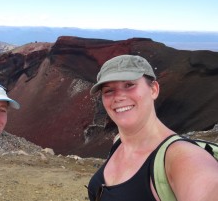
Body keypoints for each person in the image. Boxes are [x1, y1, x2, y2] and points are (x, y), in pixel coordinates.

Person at [87, 55, 218, 201]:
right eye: (108, 90)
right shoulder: (118, 144)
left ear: (154, 89)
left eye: (129, 85)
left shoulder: (183, 158)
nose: (118, 97)